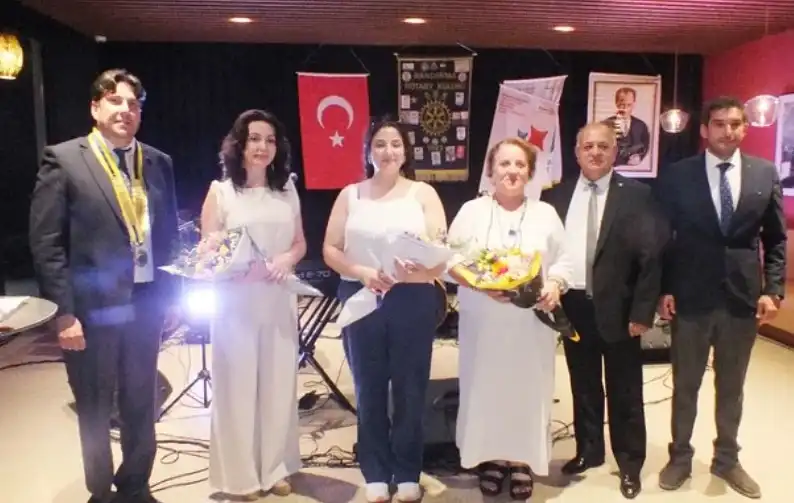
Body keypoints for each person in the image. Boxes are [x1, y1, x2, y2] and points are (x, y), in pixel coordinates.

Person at [29, 69, 180, 503]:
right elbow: (47, 243)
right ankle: (100, 491)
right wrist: (63, 313)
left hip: (146, 302)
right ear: (95, 108)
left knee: (141, 400)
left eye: (133, 104)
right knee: (94, 405)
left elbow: (168, 236)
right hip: (91, 309)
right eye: (115, 100)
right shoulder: (64, 160)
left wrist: (172, 298)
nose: (125, 110)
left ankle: (136, 486)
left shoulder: (157, 162)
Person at [655, 96, 787, 499]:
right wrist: (664, 287)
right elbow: (662, 236)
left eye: (734, 124)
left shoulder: (764, 173)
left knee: (732, 386)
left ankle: (727, 459)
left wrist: (773, 290)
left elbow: (775, 239)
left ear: (745, 128)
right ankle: (680, 456)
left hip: (742, 298)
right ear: (704, 130)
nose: (727, 131)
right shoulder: (679, 175)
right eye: (719, 124)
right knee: (686, 384)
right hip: (690, 296)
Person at [322, 118, 447, 503]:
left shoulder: (423, 194)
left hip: (413, 299)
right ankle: (375, 472)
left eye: (395, 144)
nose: (388, 151)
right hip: (362, 298)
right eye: (380, 144)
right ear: (368, 151)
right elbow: (330, 249)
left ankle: (407, 472)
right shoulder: (351, 195)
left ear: (405, 152)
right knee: (369, 388)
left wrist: (418, 266)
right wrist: (361, 271)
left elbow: (441, 253)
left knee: (411, 389)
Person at [447, 138, 572, 500]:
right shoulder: (471, 211)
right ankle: (492, 458)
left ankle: (521, 461)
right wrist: (479, 284)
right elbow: (449, 259)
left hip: (530, 325)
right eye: (504, 164)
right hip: (484, 322)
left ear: (530, 173)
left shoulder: (545, 214)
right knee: (486, 390)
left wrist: (555, 284)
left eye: (520, 165)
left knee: (526, 392)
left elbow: (564, 260)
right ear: (491, 170)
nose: (512, 171)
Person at [541, 122, 661, 499]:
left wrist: (643, 312)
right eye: (588, 146)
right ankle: (589, 451)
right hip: (573, 306)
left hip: (621, 310)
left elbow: (651, 257)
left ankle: (629, 463)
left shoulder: (638, 196)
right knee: (583, 385)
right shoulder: (555, 197)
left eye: (603, 146)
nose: (595, 152)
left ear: (615, 151)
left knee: (625, 389)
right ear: (577, 152)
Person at [201, 109, 306, 500]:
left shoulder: (287, 189)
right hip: (236, 303)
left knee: (278, 385)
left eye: (270, 140)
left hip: (278, 299)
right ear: (239, 144)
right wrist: (237, 268)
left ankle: (275, 467)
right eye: (255, 139)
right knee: (238, 389)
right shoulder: (221, 191)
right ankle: (241, 476)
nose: (263, 146)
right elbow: (208, 251)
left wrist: (286, 260)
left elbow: (300, 243)